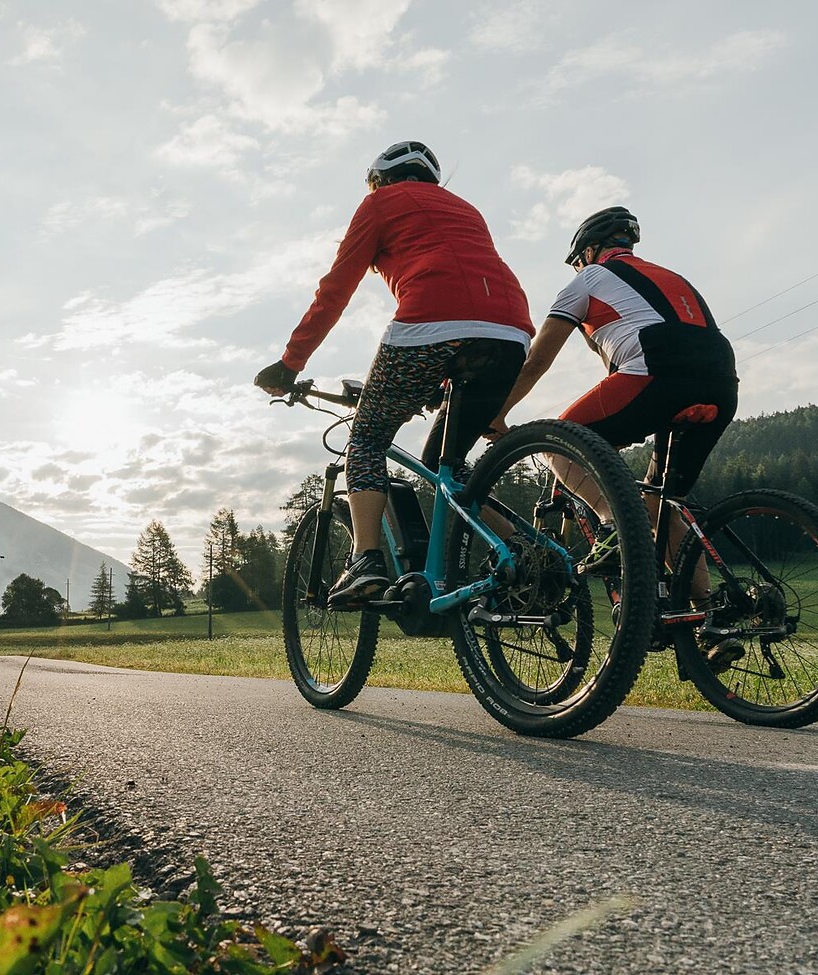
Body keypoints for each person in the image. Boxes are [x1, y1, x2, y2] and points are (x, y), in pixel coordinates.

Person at [254, 141, 533, 607]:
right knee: (445, 463)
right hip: (510, 330)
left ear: (380, 179)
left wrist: (290, 364)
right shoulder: (465, 209)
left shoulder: (381, 202)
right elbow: (467, 284)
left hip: (431, 323)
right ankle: (521, 549)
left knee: (367, 439)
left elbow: (335, 290)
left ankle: (365, 561)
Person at [490, 205, 741, 668]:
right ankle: (709, 618)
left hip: (657, 370)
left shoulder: (586, 280)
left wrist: (498, 413)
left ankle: (613, 527)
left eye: (577, 261)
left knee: (560, 441)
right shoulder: (672, 277)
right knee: (660, 504)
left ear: (589, 251)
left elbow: (537, 361)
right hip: (722, 381)